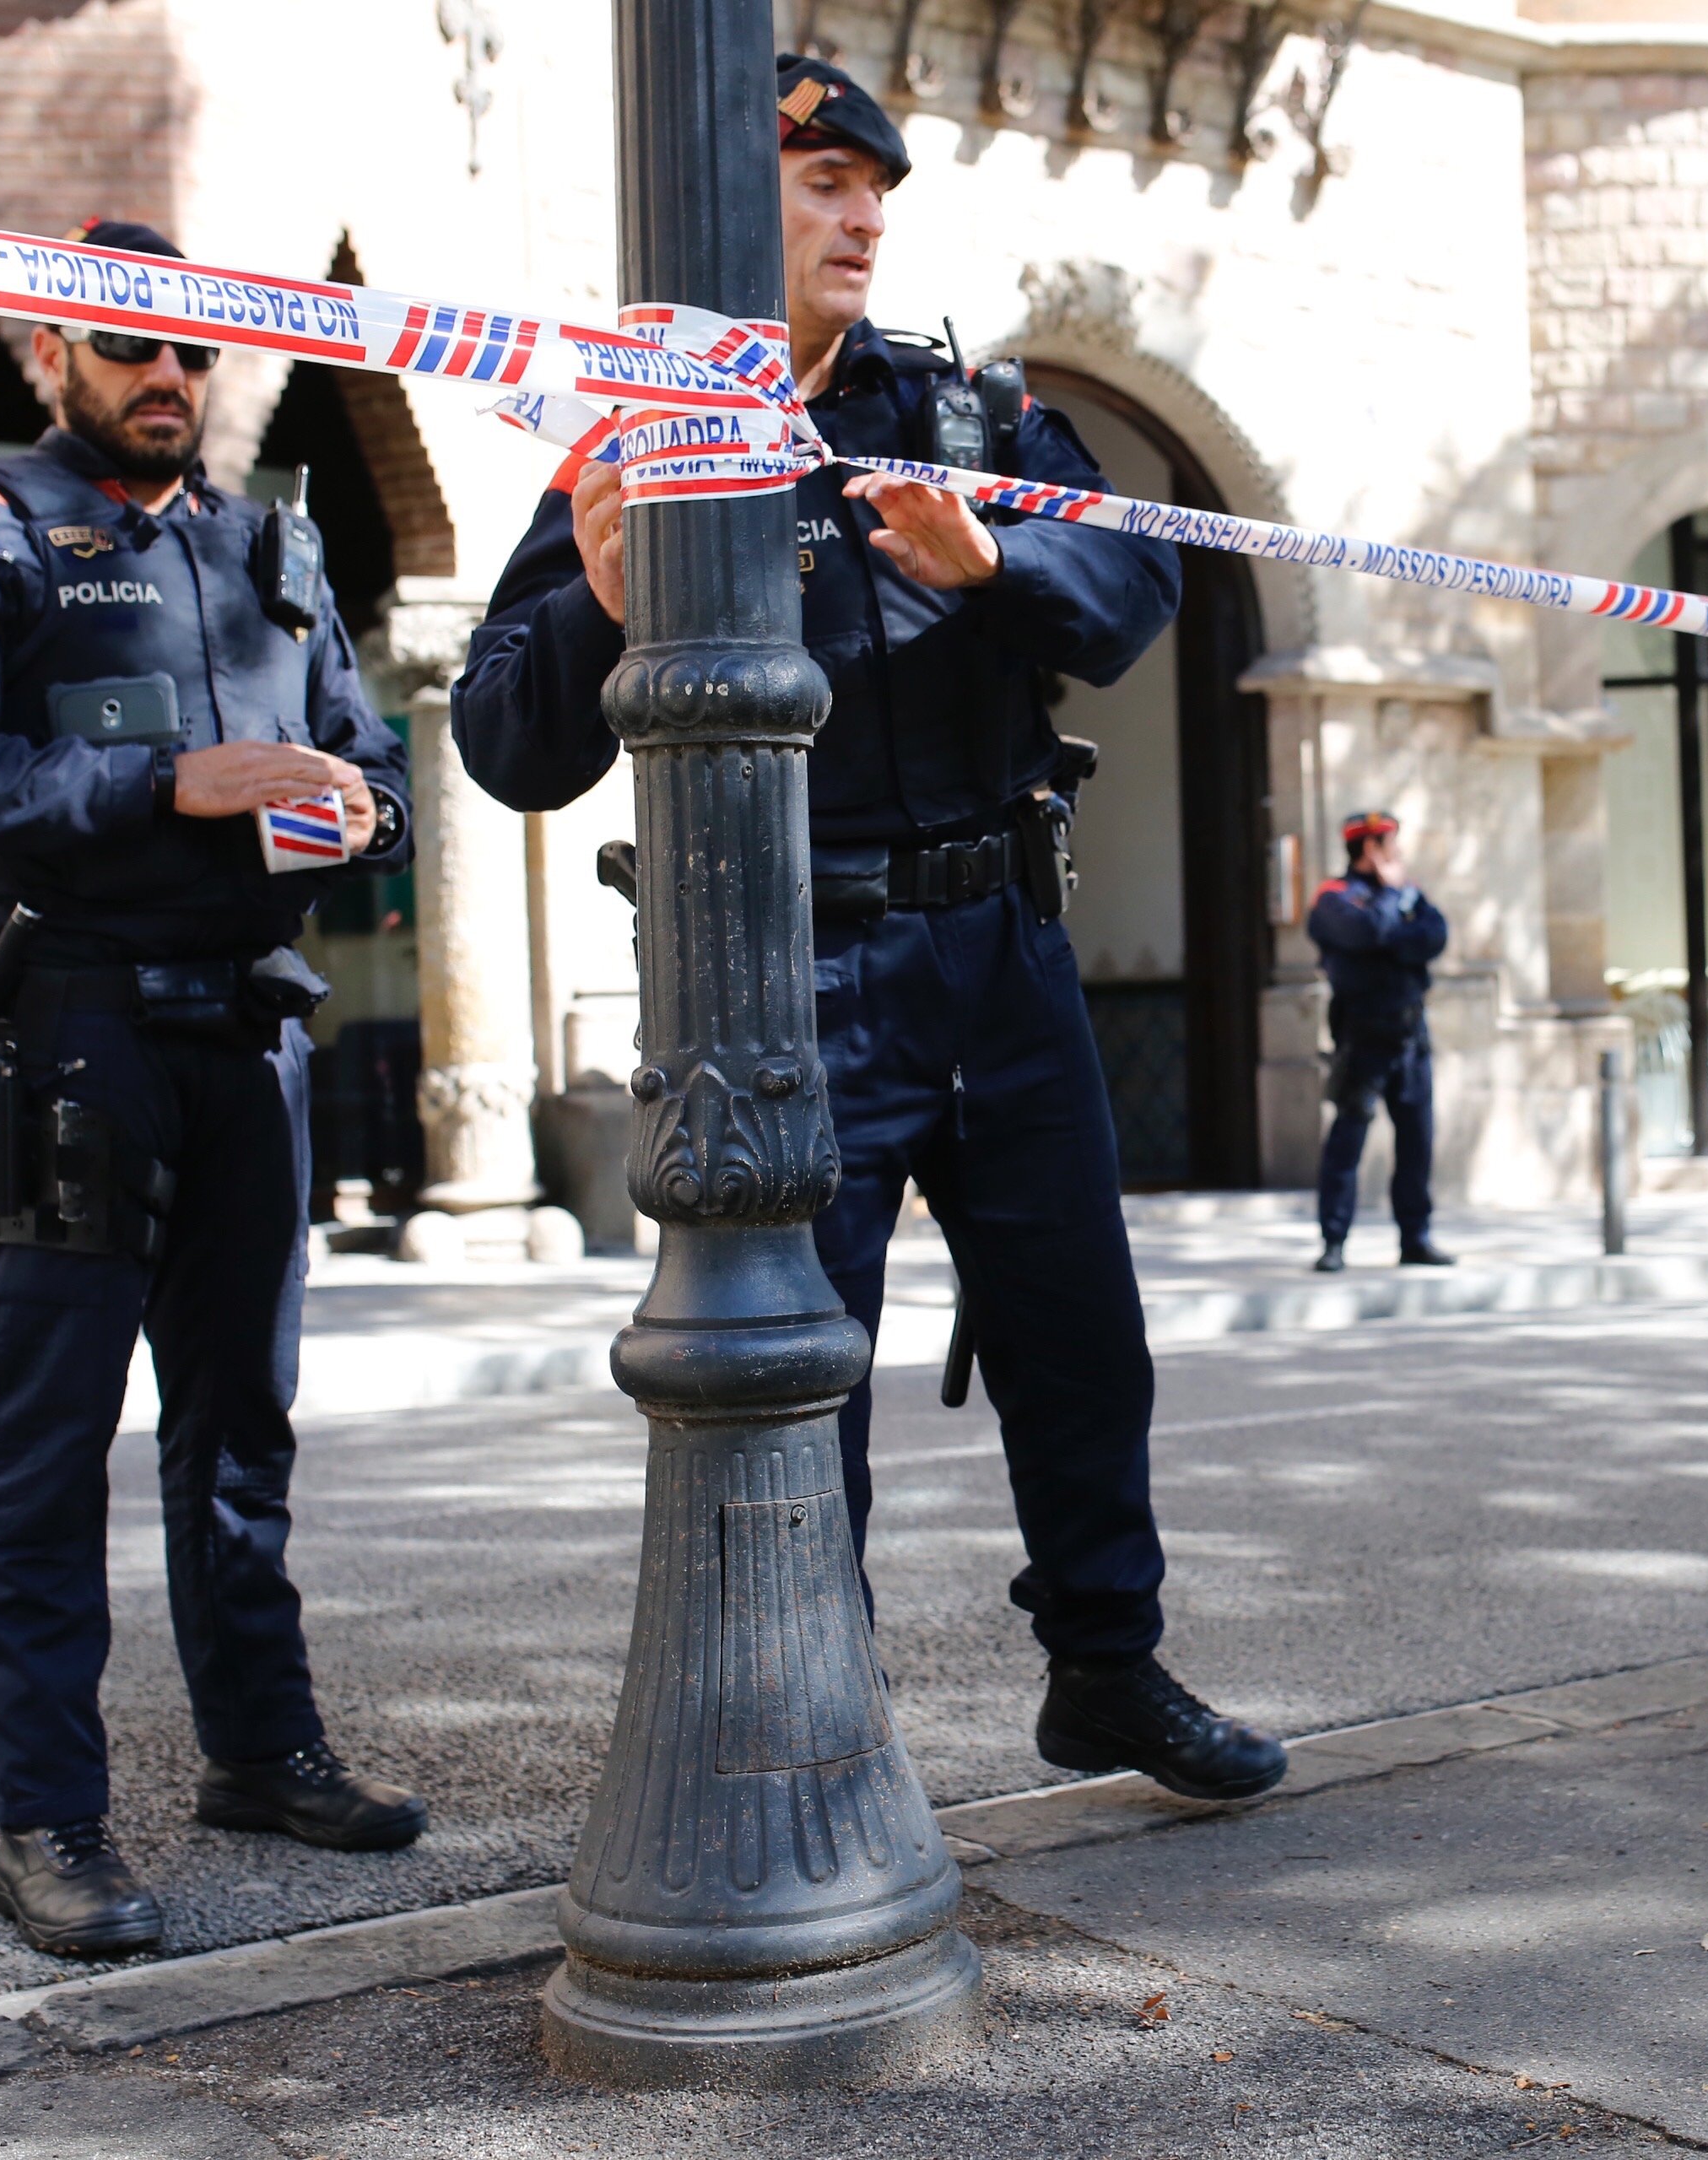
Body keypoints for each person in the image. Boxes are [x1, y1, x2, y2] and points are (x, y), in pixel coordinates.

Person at [450, 57, 1285, 1806]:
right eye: (820, 180)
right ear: (717, 198)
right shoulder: (642, 436)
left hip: (1003, 953)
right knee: (796, 1364)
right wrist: (605, 600)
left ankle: (1109, 1668)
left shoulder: (964, 415)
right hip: (792, 971)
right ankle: (810, 1718)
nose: (861, 215)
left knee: (1079, 1331)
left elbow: (1137, 591)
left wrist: (1001, 571)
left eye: (871, 186)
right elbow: (506, 742)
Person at [0, 219, 424, 1958]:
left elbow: (371, 755)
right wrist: (165, 783)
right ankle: (51, 1820)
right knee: (43, 1441)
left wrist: (355, 807)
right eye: (125, 345)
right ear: (53, 354)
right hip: (69, 1028)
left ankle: (260, 1747)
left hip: (249, 1033)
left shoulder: (271, 550)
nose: (164, 376)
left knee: (241, 1425)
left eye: (188, 352)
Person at [1305, 811, 1454, 1272]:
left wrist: (1392, 927)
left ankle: (1416, 1238)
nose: (1399, 856)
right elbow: (1366, 932)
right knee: (1347, 1143)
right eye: (1392, 846)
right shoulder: (1333, 898)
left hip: (1412, 1036)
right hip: (1363, 1036)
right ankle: (1334, 1242)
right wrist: (1392, 907)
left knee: (1416, 1142)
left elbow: (1434, 936)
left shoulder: (1410, 894)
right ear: (1371, 849)